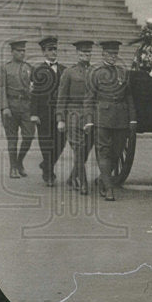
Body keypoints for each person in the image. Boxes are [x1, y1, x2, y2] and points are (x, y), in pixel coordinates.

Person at [84, 41, 136, 201]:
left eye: (115, 54)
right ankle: (108, 188)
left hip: (121, 117)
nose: (113, 57)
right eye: (110, 54)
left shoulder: (122, 72)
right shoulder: (95, 72)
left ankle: (102, 179)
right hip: (102, 118)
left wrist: (132, 119)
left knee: (117, 151)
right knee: (104, 152)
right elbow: (89, 98)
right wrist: (89, 120)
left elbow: (128, 97)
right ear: (103, 54)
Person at [57, 40, 95, 192]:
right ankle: (83, 182)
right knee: (78, 148)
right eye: (83, 53)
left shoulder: (94, 71)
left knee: (85, 149)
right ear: (77, 54)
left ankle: (73, 177)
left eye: (89, 53)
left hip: (90, 115)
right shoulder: (69, 72)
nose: (86, 55)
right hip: (73, 113)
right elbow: (61, 97)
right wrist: (60, 119)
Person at [30, 36, 67, 186]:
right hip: (43, 114)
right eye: (50, 50)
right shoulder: (37, 70)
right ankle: (49, 174)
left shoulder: (64, 70)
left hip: (59, 114)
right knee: (45, 144)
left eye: (55, 49)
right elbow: (33, 93)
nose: (53, 52)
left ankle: (46, 164)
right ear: (43, 52)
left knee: (61, 143)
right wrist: (33, 113)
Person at [0, 40, 34, 178]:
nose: (22, 53)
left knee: (29, 136)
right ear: (12, 52)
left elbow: (33, 87)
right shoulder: (5, 68)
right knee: (12, 139)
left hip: (26, 106)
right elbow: (1, 88)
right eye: (19, 51)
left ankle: (19, 162)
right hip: (11, 106)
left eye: (23, 51)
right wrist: (5, 107)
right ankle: (13, 167)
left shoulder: (29, 67)